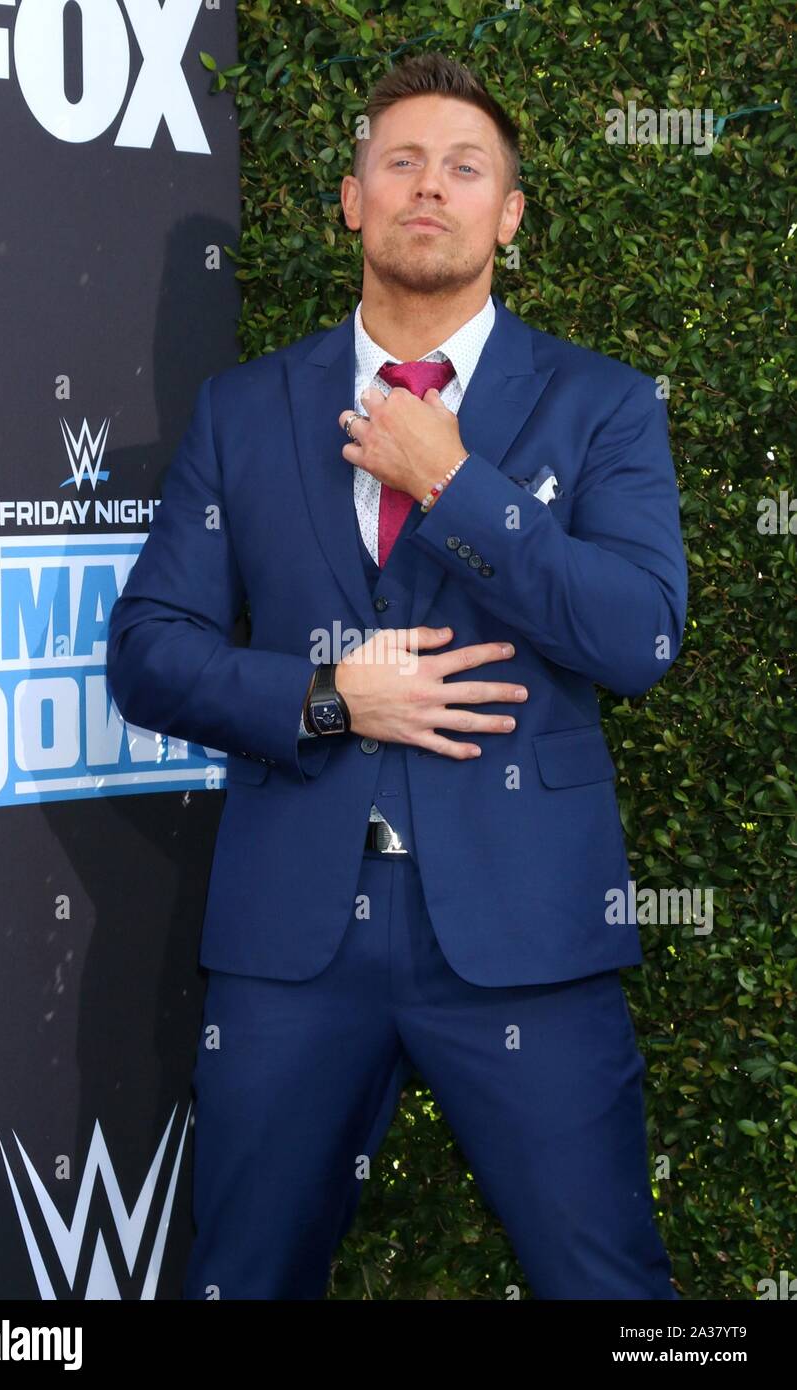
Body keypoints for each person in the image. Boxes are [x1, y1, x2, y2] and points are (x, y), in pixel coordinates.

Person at [106, 52, 687, 1300]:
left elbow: (639, 634)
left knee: (608, 1285)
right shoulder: (244, 409)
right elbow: (149, 652)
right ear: (352, 198)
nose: (430, 186)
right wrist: (326, 699)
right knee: (245, 1276)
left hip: (525, 936)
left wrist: (453, 484)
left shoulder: (600, 405)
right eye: (401, 161)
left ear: (507, 215)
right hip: (289, 948)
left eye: (464, 168)